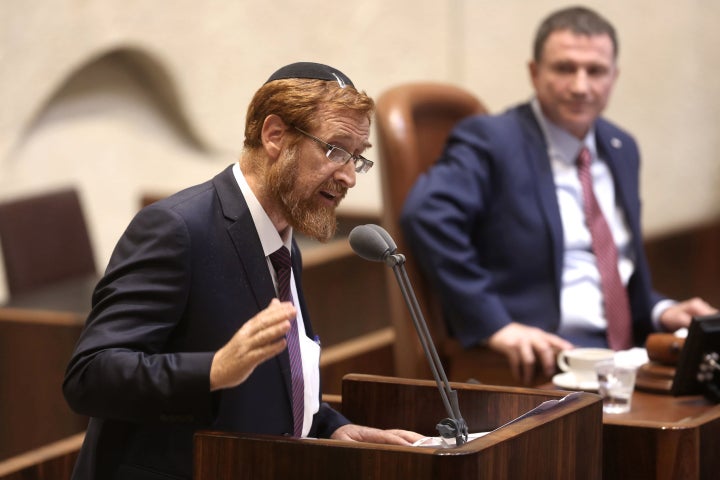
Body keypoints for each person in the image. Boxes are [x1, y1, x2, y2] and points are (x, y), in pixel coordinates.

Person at [63, 62, 422, 480]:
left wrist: (330, 427)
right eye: (335, 149)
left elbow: (269, 384)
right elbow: (89, 375)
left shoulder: (284, 244)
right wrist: (212, 370)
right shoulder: (178, 229)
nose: (348, 177)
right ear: (275, 136)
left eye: (357, 159)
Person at [400, 7, 716, 385]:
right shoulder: (492, 139)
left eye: (596, 71)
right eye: (565, 68)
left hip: (628, 354)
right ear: (534, 73)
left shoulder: (621, 147)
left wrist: (663, 310)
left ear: (614, 77)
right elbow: (426, 215)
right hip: (550, 359)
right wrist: (495, 325)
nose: (581, 86)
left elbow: (612, 270)